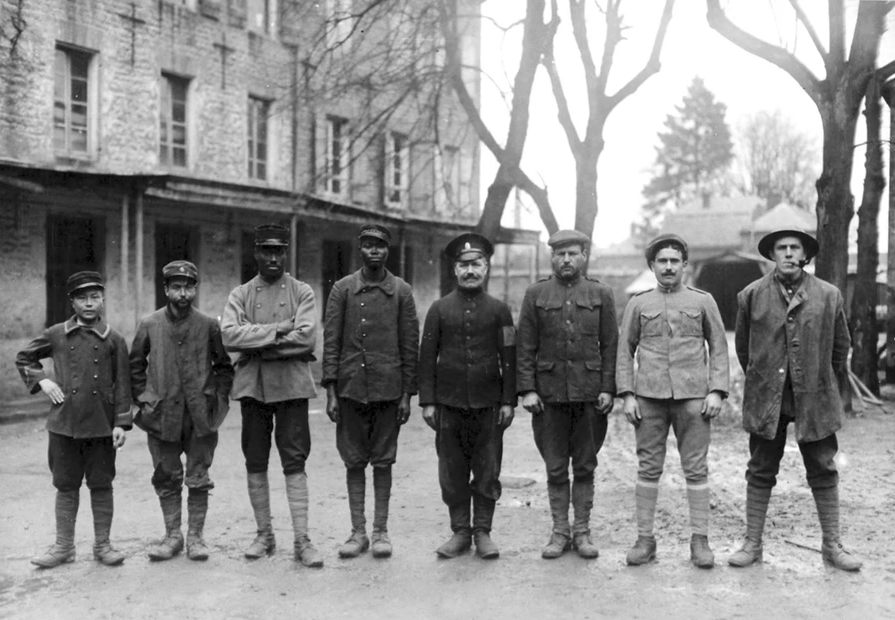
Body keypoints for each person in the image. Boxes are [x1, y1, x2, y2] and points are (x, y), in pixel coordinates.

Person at [729, 228, 861, 571]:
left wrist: (821, 379)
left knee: (823, 467)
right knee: (760, 469)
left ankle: (832, 544)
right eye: (781, 248)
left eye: (794, 248)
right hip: (767, 399)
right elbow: (744, 350)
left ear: (805, 255)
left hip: (814, 398)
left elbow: (840, 349)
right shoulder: (751, 295)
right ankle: (752, 543)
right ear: (772, 255)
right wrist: (765, 379)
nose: (788, 254)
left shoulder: (829, 295)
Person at [616, 234, 729, 569]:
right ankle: (645, 539)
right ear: (652, 266)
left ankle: (700, 541)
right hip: (648, 399)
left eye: (674, 261)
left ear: (684, 266)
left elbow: (719, 347)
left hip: (694, 399)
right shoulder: (638, 303)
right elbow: (625, 352)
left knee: (696, 468)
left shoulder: (703, 300)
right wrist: (626, 394)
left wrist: (717, 390)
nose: (668, 267)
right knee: (648, 467)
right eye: (661, 261)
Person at [221, 224, 323, 568]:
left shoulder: (302, 292)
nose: (273, 257)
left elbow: (307, 339)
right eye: (267, 250)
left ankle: (302, 539)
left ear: (286, 253)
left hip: (293, 386)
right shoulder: (241, 294)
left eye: (279, 250)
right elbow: (230, 336)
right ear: (256, 253)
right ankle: (264, 534)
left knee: (294, 461)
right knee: (255, 460)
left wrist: (258, 344)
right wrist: (279, 329)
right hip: (253, 388)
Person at [16, 271, 131, 568]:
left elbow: (124, 384)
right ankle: (64, 547)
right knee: (66, 485)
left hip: (101, 425)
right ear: (72, 301)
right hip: (64, 424)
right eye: (82, 298)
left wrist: (120, 422)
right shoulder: (56, 333)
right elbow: (25, 357)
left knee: (102, 485)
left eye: (95, 297)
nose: (89, 303)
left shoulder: (115, 339)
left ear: (103, 299)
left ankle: (103, 545)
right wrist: (43, 381)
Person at [517, 229, 618, 559]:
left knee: (586, 465)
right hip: (548, 397)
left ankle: (582, 532)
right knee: (556, 467)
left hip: (590, 396)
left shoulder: (601, 293)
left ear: (584, 256)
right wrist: (528, 389)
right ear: (552, 257)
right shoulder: (536, 294)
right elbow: (525, 346)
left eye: (573, 253)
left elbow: (611, 345)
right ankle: (560, 531)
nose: (566, 260)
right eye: (560, 254)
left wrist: (607, 388)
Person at [322, 224, 419, 559]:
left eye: (380, 246)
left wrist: (407, 394)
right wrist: (331, 391)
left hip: (388, 390)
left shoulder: (402, 291)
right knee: (353, 461)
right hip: (350, 389)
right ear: (359, 249)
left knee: (383, 461)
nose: (374, 251)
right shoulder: (343, 290)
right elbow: (331, 342)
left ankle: (380, 531)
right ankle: (357, 532)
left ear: (387, 250)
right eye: (368, 245)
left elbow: (410, 347)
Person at [419, 233, 516, 560]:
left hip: (488, 406)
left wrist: (507, 401)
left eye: (476, 264)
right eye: (464, 265)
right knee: (452, 472)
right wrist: (429, 401)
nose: (470, 270)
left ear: (487, 267)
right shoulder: (439, 309)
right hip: (449, 405)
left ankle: (483, 532)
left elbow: (509, 358)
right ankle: (460, 532)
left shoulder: (500, 311)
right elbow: (426, 357)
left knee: (488, 471)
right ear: (454, 269)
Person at [130, 260, 234, 562]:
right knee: (166, 474)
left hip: (199, 415)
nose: (183, 293)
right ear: (166, 289)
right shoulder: (150, 324)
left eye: (189, 287)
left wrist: (216, 401)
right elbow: (135, 366)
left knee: (199, 475)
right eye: (176, 287)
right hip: (161, 414)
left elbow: (224, 368)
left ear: (195, 289)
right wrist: (146, 399)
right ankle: (172, 536)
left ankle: (196, 538)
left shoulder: (208, 325)